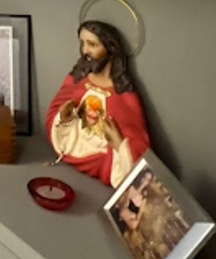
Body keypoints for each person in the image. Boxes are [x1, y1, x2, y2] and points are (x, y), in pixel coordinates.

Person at [45, 20, 150, 187]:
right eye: (82, 43)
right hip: (73, 146)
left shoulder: (123, 94)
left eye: (92, 44)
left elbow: (138, 144)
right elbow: (54, 112)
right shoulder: (77, 79)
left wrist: (119, 145)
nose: (85, 50)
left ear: (110, 48)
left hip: (103, 161)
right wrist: (63, 119)